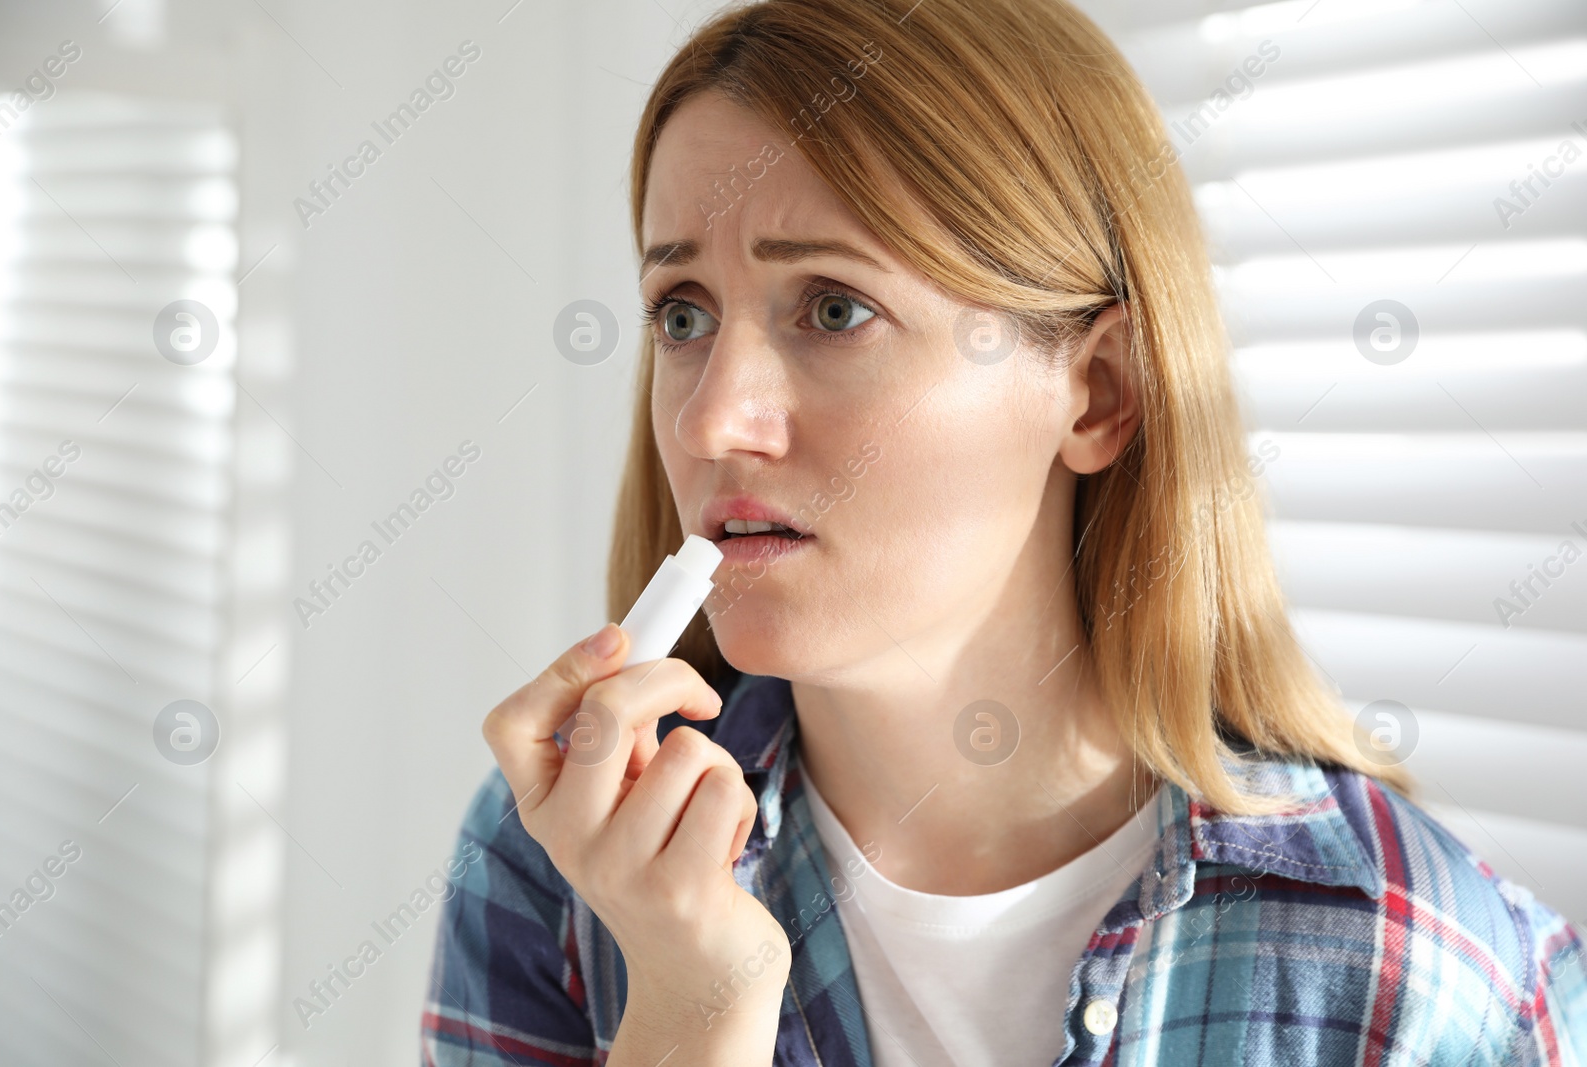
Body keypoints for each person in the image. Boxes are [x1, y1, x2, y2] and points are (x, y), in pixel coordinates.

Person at [421, 0, 1587, 1063]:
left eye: (835, 308)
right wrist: (692, 1007)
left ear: (1097, 394)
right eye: (684, 312)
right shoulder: (561, 861)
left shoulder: (1417, 970)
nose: (714, 415)